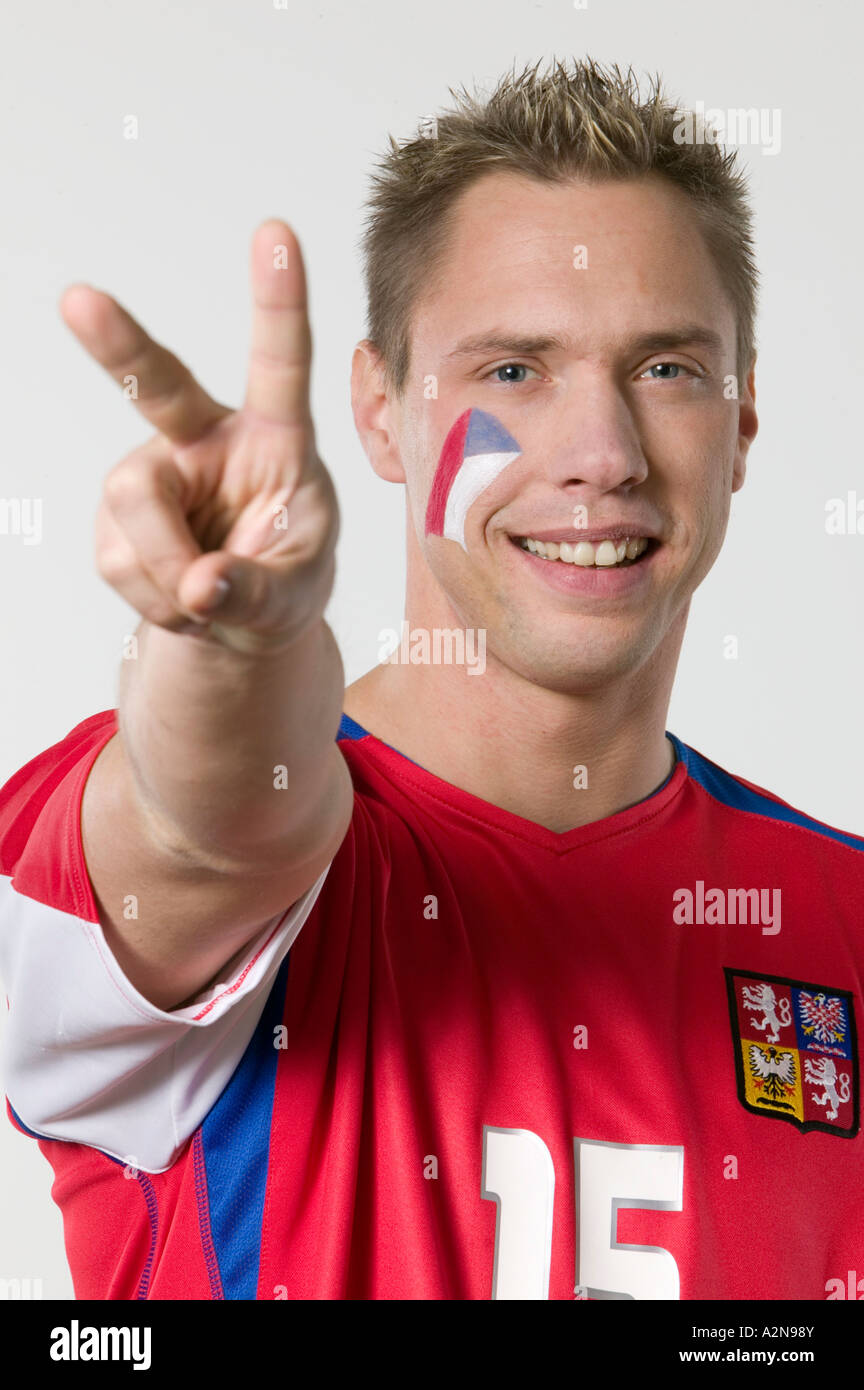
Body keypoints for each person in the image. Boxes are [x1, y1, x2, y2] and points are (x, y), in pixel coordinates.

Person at [1, 57, 862, 1302]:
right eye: (513, 371)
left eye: (666, 369)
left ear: (739, 431)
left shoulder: (833, 915)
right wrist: (225, 652)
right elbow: (210, 833)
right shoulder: (227, 863)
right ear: (381, 410)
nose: (601, 455)